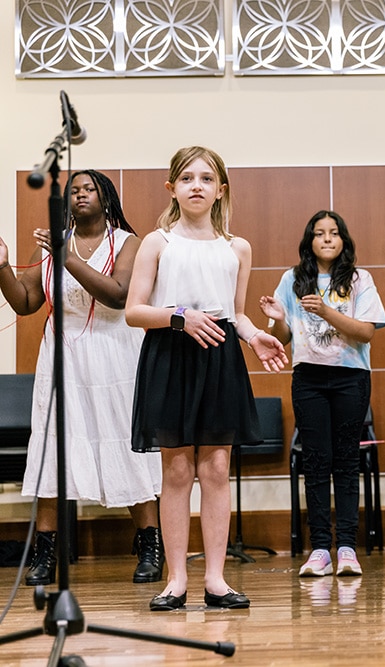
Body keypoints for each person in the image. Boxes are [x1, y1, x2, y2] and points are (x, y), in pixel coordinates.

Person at [125, 146, 287, 612]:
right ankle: (176, 580)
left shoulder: (237, 248)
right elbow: (135, 311)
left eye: (206, 178)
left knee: (216, 468)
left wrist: (255, 336)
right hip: (170, 354)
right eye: (187, 178)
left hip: (219, 356)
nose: (197, 185)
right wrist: (180, 316)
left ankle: (216, 579)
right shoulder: (157, 242)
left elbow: (236, 312)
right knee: (177, 470)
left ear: (221, 190)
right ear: (171, 188)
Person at [0, 170, 163, 586]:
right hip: (62, 359)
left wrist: (65, 256)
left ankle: (150, 545)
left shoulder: (129, 243)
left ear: (106, 198)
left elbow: (118, 294)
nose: (81, 195)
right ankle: (45, 553)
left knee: (127, 447)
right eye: (73, 191)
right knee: (55, 448)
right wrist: (2, 268)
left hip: (115, 357)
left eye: (89, 189)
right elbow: (25, 301)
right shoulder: (53, 245)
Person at [259, 210, 385, 579]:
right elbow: (283, 337)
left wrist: (327, 311)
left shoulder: (360, 279)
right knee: (316, 462)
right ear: (309, 241)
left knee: (346, 461)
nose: (327, 239)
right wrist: (277, 317)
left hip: (351, 377)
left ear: (343, 240)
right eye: (319, 233)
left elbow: (366, 332)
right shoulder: (293, 279)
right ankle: (319, 550)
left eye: (334, 233)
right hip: (309, 378)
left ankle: (346, 548)